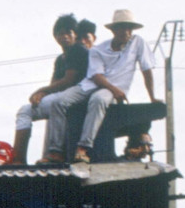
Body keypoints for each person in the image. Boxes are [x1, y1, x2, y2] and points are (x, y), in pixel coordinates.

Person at [47, 9, 160, 164]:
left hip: (108, 90)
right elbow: (96, 76)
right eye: (121, 27)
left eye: (129, 28)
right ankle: (55, 151)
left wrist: (152, 97)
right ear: (113, 30)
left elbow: (146, 70)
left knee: (98, 99)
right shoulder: (98, 50)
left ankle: (83, 147)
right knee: (58, 102)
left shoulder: (138, 43)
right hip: (94, 85)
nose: (126, 31)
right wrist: (115, 90)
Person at [14, 14, 89, 164]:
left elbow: (69, 81)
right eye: (61, 33)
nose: (65, 36)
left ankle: (56, 153)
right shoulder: (60, 59)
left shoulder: (78, 50)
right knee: (25, 111)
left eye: (69, 32)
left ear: (75, 35)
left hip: (78, 97)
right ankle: (18, 160)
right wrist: (42, 94)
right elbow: (54, 83)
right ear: (55, 37)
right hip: (60, 97)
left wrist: (40, 90)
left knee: (56, 102)